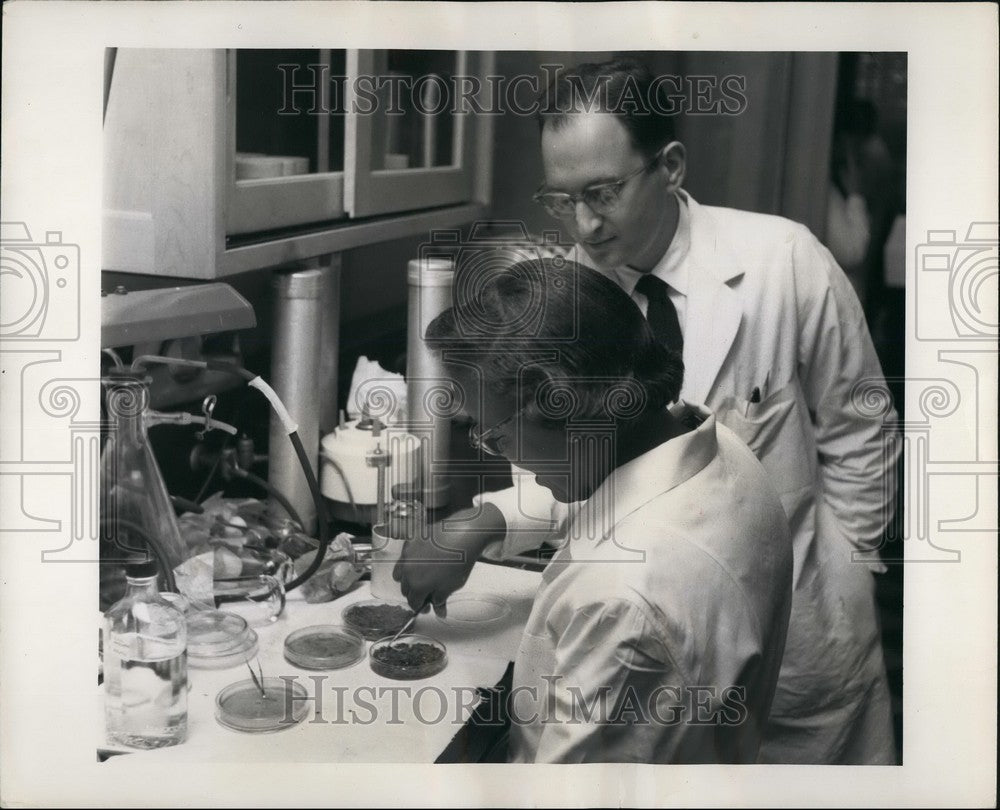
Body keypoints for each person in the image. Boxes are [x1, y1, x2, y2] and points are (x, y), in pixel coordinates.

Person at [396, 58, 900, 764]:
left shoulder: (783, 260)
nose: (584, 223)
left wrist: (848, 573)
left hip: (803, 636)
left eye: (603, 193)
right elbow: (585, 467)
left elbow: (862, 428)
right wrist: (489, 519)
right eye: (560, 199)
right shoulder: (567, 298)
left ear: (670, 166)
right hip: (663, 620)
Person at [409, 258, 793, 763]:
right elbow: (623, 501)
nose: (499, 455)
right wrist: (487, 520)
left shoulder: (625, 603)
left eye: (495, 436)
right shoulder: (718, 451)